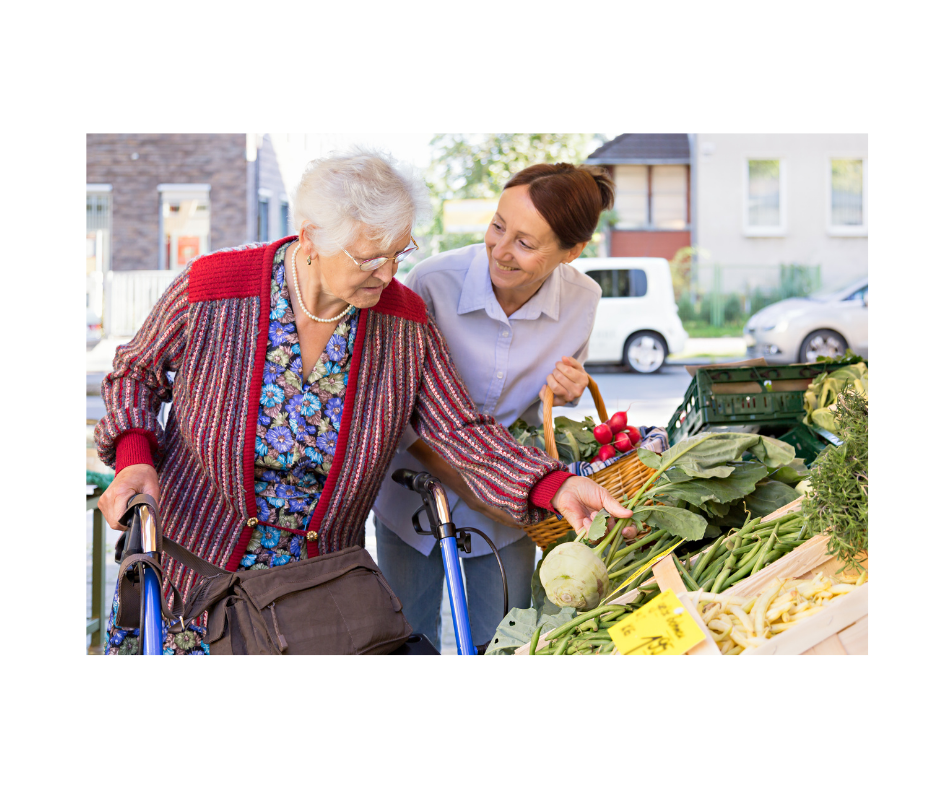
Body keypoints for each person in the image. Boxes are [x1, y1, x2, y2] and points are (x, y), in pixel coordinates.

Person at [94, 148, 632, 655]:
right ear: (311, 238)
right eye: (371, 258)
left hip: (318, 598)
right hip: (192, 580)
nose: (390, 275)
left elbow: (459, 429)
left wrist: (554, 483)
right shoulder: (214, 289)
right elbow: (134, 373)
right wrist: (134, 458)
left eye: (400, 253)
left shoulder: (402, 323)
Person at [372, 162, 617, 652]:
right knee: (406, 639)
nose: (501, 251)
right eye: (498, 227)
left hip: (510, 502)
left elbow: (544, 410)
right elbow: (402, 403)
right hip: (411, 489)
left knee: (504, 641)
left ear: (572, 252)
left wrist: (567, 391)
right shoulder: (431, 283)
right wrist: (473, 481)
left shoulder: (583, 299)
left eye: (526, 243)